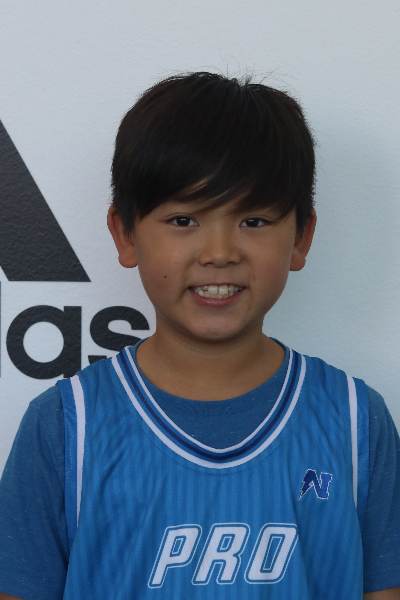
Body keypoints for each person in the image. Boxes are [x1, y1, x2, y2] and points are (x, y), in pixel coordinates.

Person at [0, 72, 399, 600]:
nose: (219, 252)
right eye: (184, 219)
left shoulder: (354, 421)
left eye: (253, 221)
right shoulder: (66, 427)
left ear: (301, 236)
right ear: (125, 234)